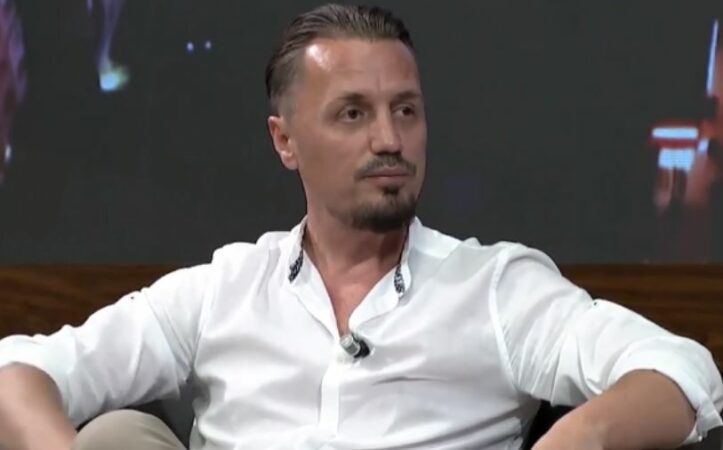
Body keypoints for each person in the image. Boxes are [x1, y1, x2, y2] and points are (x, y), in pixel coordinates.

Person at [0, 4, 722, 450]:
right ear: (285, 141)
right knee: (116, 439)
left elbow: (682, 370)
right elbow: (16, 372)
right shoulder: (224, 289)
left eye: (405, 110)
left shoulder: (494, 289)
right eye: (353, 114)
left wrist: (580, 435)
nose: (389, 139)